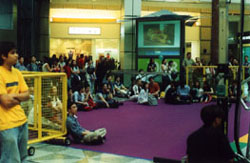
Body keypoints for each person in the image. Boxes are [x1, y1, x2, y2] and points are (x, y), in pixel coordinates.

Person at [0, 42, 30, 163]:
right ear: (3, 56)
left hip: (22, 121)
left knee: (23, 158)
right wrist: (20, 97)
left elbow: (27, 95)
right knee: (11, 159)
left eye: (16, 52)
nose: (17, 55)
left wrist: (13, 96)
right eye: (12, 53)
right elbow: (5, 101)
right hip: (6, 124)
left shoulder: (17, 73)